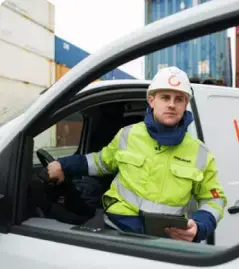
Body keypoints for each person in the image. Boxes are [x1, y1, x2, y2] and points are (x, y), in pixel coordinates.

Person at [47, 66, 227, 242]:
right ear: (151, 100)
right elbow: (101, 161)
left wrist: (200, 226)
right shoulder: (128, 134)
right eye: (165, 97)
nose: (171, 104)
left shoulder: (200, 152)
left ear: (185, 104)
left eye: (179, 99)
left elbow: (214, 199)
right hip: (116, 229)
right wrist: (64, 164)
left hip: (164, 240)